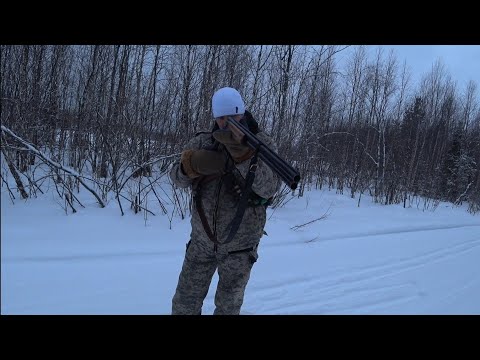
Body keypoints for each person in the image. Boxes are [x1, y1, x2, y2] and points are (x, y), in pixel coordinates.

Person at [170, 87, 279, 315]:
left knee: (228, 308)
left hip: (240, 247)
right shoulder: (202, 141)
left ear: (242, 112)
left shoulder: (262, 143)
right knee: (184, 304)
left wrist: (244, 158)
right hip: (201, 242)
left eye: (234, 116)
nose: (227, 123)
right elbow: (176, 179)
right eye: (221, 118)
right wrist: (189, 167)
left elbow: (269, 189)